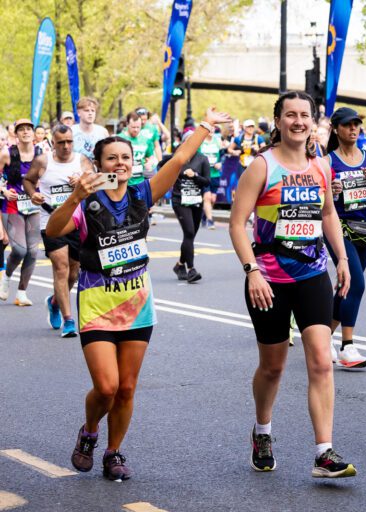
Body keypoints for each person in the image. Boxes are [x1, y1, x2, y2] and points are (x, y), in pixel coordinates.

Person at [45, 107, 231, 481]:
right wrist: (75, 198)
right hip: (97, 305)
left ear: (134, 162)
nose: (120, 163)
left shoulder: (142, 193)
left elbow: (179, 159)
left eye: (126, 158)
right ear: (97, 163)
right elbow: (53, 230)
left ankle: (113, 452)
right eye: (111, 158)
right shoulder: (86, 199)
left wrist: (207, 126)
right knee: (107, 386)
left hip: (137, 305)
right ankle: (89, 432)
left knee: (127, 388)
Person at [229, 91, 357, 478]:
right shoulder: (261, 167)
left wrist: (342, 259)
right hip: (268, 280)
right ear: (279, 121)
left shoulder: (321, 167)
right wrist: (251, 270)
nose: (298, 121)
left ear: (314, 122)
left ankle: (324, 452)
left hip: (312, 274)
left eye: (305, 115)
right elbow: (237, 224)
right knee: (273, 367)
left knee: (321, 360)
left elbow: (329, 214)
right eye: (290, 115)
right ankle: (262, 431)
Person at [325, 107, 366, 368]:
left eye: (357, 124)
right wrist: (330, 191)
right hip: (339, 229)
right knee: (356, 284)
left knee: (345, 286)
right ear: (336, 129)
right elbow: (318, 202)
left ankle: (323, 336)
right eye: (347, 125)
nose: (353, 129)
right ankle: (347, 347)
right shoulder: (328, 162)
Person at [23, 125, 92, 337]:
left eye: (69, 141)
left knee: (73, 271)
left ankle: (54, 302)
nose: (66, 146)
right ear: (53, 143)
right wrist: (33, 194)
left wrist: (81, 182)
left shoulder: (82, 161)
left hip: (77, 221)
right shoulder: (43, 161)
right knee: (61, 268)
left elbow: (95, 184)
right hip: (50, 221)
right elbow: (28, 180)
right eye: (61, 142)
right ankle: (69, 320)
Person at [0, 119, 44, 305]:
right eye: (21, 130)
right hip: (13, 206)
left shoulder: (42, 154)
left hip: (33, 205)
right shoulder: (7, 154)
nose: (26, 132)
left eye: (29, 129)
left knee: (33, 252)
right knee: (19, 249)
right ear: (16, 134)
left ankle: (21, 293)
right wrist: (3, 190)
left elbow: (49, 175)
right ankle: (6, 278)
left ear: (33, 133)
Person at [168, 131, 210, 283]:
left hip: (196, 202)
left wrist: (195, 176)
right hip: (180, 200)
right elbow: (164, 171)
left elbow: (207, 181)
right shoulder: (178, 158)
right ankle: (191, 270)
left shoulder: (202, 159)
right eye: (189, 142)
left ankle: (180, 265)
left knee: (190, 236)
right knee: (189, 232)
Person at [120, 112, 156, 186]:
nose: (136, 130)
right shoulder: (119, 139)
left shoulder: (146, 140)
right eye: (133, 127)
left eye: (138, 127)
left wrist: (150, 163)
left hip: (140, 181)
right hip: (124, 183)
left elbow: (150, 156)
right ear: (127, 124)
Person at [199, 127, 224, 229]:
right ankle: (210, 221)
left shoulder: (218, 141)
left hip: (215, 174)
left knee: (212, 199)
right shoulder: (200, 141)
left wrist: (220, 163)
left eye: (213, 128)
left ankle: (204, 216)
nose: (212, 130)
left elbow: (222, 155)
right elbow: (196, 156)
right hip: (204, 174)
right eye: (210, 128)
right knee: (207, 197)